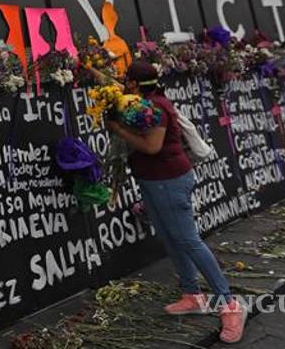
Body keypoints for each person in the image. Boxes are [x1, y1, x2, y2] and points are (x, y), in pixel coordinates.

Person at [105, 60, 247, 344]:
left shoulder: (155, 108)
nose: (123, 81)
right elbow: (109, 85)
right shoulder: (139, 101)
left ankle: (229, 305)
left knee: (188, 240)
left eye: (127, 78)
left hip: (168, 181)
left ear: (134, 83)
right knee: (172, 239)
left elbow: (153, 147)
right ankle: (192, 294)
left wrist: (118, 130)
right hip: (153, 181)